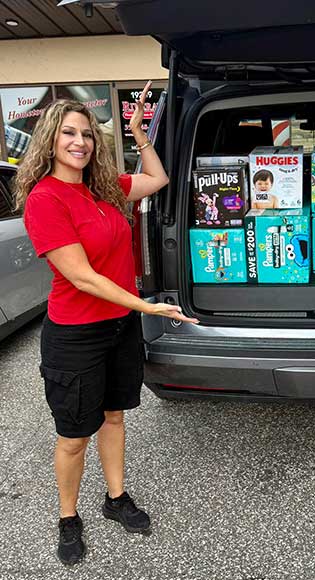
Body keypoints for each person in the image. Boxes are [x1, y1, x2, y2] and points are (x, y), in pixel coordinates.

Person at [14, 81, 199, 566]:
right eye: (69, 133)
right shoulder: (46, 199)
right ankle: (68, 517)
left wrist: (139, 135)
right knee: (74, 435)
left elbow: (156, 180)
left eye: (88, 135)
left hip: (119, 326)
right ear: (51, 139)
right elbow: (82, 277)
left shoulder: (106, 189)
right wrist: (149, 308)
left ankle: (115, 499)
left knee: (115, 416)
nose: (80, 142)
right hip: (76, 333)